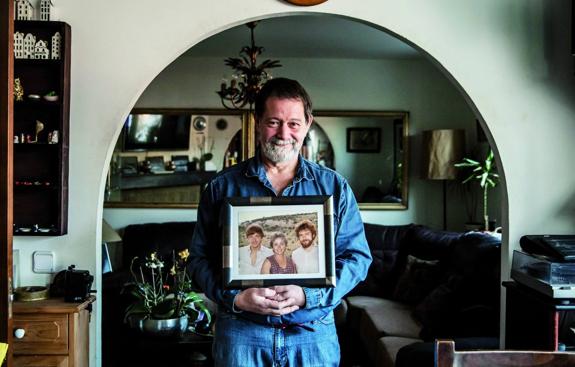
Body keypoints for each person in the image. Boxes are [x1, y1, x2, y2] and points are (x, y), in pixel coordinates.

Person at [189, 77, 372, 366]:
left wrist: (307, 296)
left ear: (308, 123)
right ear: (258, 122)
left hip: (312, 336)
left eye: (294, 124)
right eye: (274, 122)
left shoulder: (335, 188)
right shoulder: (221, 189)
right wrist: (235, 298)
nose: (283, 133)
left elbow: (358, 258)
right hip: (242, 335)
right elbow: (198, 259)